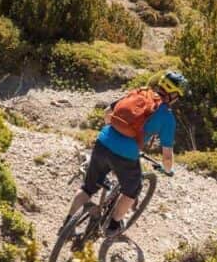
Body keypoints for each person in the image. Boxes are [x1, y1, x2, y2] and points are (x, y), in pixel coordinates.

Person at [65, 70, 188, 236]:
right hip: (126, 154)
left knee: (88, 188)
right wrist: (167, 170)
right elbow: (167, 156)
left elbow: (108, 113)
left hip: (103, 141)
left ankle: (67, 225)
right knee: (132, 190)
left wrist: (116, 132)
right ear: (173, 95)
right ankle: (113, 225)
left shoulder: (139, 93)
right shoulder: (167, 117)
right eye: (178, 96)